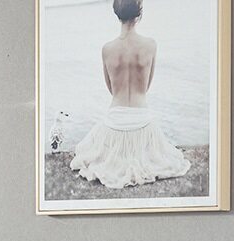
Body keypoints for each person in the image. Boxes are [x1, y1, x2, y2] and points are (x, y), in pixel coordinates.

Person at [69, 0, 190, 190]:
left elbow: (111, 88)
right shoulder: (150, 45)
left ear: (116, 13)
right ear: (139, 13)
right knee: (164, 158)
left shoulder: (107, 49)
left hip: (114, 122)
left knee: (90, 154)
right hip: (143, 121)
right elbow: (146, 86)